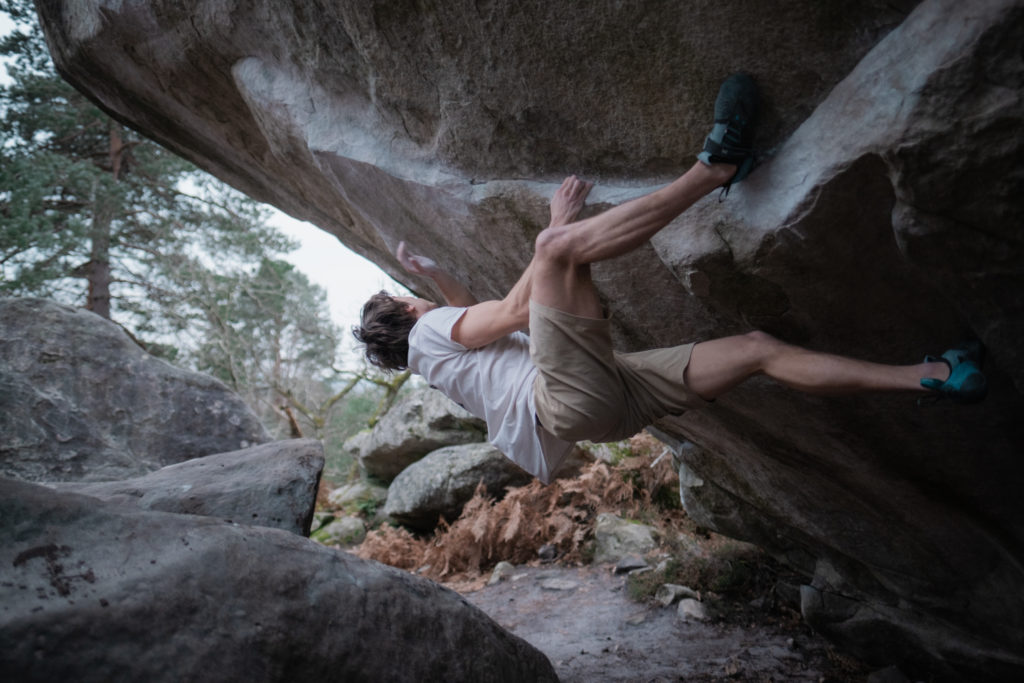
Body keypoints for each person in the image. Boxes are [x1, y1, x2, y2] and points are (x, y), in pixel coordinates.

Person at [353, 74, 986, 483]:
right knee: (556, 248)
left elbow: (471, 325)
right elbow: (510, 315)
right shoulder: (433, 330)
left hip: (601, 407)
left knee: (759, 351)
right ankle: (715, 170)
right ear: (409, 314)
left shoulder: (432, 358)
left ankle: (936, 377)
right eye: (413, 298)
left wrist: (437, 275)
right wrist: (558, 221)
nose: (424, 300)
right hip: (569, 397)